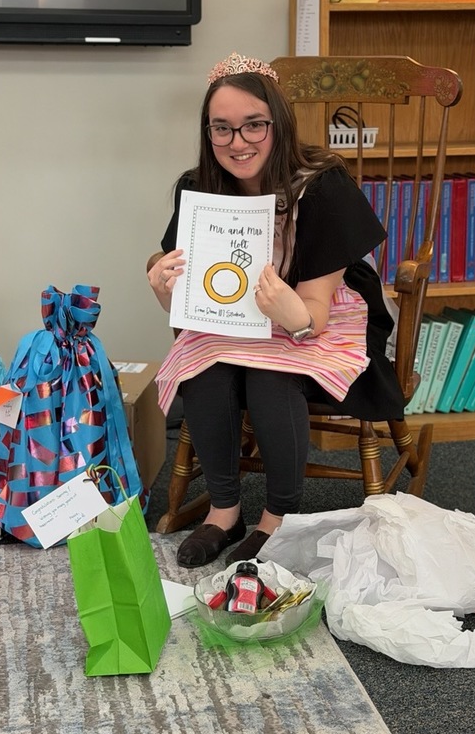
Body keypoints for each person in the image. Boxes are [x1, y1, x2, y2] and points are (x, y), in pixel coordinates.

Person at [148, 52, 404, 568]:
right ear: (208, 131)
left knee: (270, 374)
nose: (237, 142)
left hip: (313, 311)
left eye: (253, 126)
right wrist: (161, 283)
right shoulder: (199, 187)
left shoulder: (323, 184)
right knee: (205, 368)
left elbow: (314, 311)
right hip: (234, 315)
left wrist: (293, 315)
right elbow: (186, 308)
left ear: (278, 124)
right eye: (222, 129)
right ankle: (224, 511)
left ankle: (278, 518)